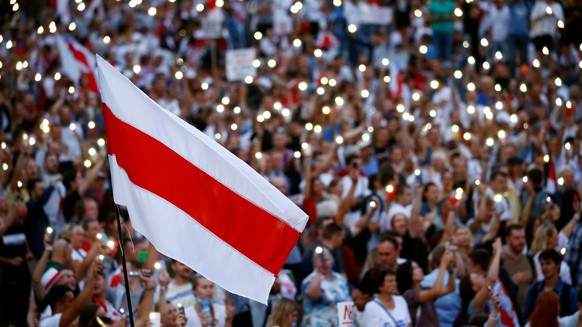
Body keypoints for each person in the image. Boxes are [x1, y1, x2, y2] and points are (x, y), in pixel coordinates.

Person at [401, 248, 456, 326]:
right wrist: (443, 264)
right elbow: (435, 291)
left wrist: (450, 269)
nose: (420, 269)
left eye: (419, 267)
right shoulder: (409, 294)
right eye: (415, 268)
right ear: (407, 273)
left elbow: (450, 288)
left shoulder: (425, 289)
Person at [301, 247, 351, 326]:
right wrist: (319, 271)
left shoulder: (340, 279)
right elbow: (313, 295)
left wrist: (348, 324)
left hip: (339, 323)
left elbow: (347, 301)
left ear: (332, 260)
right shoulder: (308, 280)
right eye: (321, 260)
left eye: (327, 259)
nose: (324, 263)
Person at [523, 249, 578, 320]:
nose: (544, 267)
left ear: (558, 264)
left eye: (548, 263)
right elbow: (526, 315)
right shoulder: (534, 289)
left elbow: (574, 318)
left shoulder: (570, 292)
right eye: (542, 264)